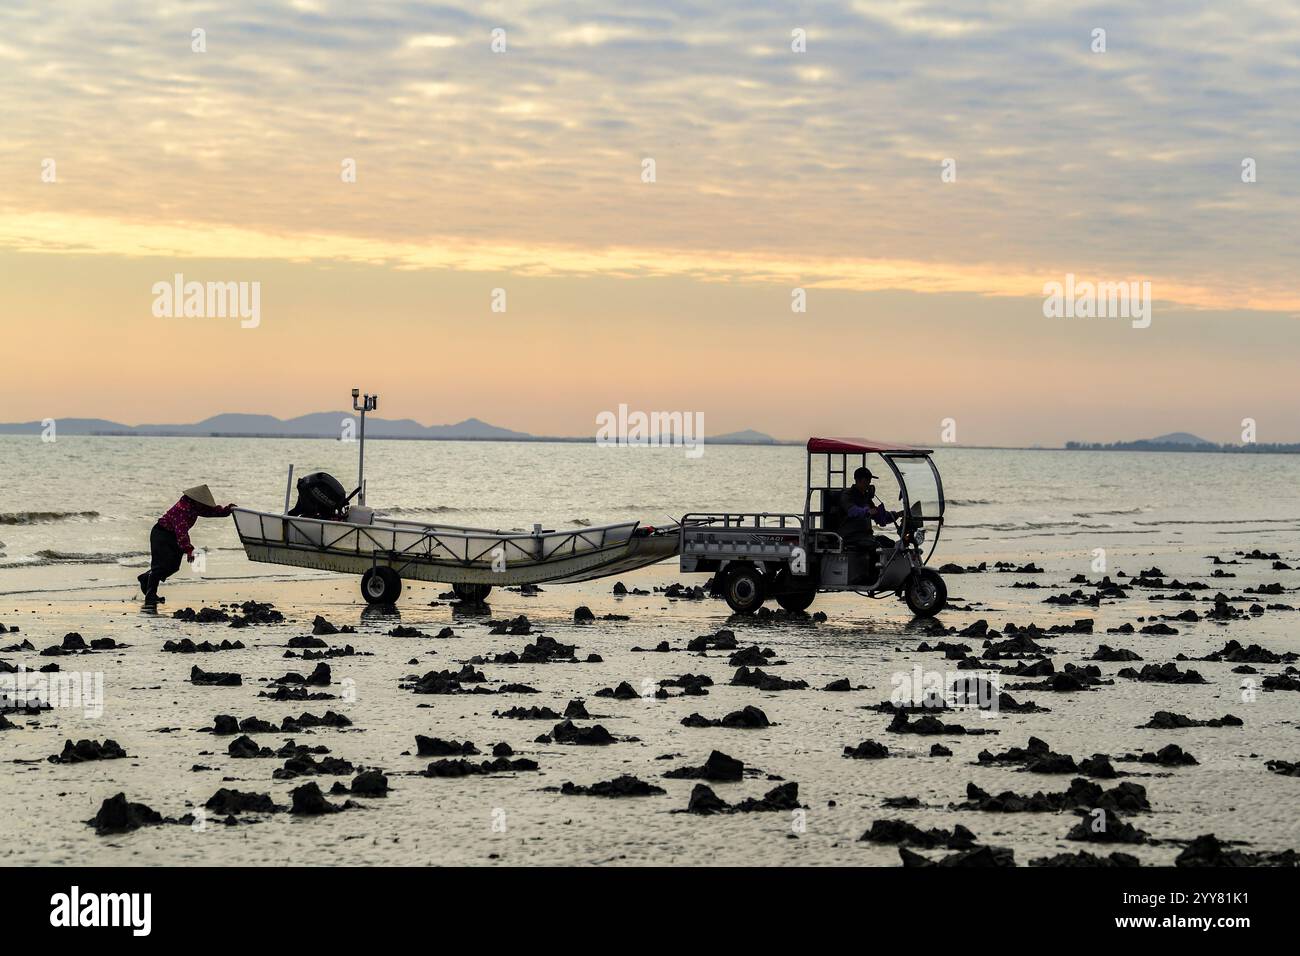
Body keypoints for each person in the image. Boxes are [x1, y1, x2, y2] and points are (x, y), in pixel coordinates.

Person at [138, 484, 235, 611]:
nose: (203, 506)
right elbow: (181, 531)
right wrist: (189, 550)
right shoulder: (183, 509)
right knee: (160, 567)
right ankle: (150, 597)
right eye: (202, 503)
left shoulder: (195, 506)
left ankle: (145, 578)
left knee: (173, 566)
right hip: (161, 534)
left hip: (173, 536)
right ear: (195, 500)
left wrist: (227, 510)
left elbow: (211, 511)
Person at [838, 467, 897, 552]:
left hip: (866, 536)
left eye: (869, 480)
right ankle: (874, 565)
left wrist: (896, 515)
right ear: (858, 480)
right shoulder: (847, 495)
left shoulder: (866, 497)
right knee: (875, 547)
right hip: (850, 536)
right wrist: (867, 511)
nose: (869, 483)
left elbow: (878, 515)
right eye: (867, 480)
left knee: (889, 543)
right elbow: (852, 511)